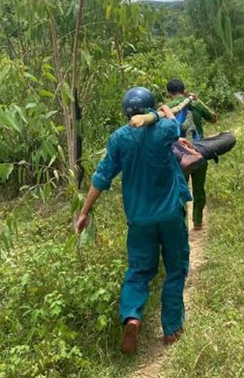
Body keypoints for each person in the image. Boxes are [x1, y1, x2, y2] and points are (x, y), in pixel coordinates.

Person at [74, 86, 192, 355]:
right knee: (175, 268)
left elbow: (101, 177)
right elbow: (176, 127)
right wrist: (164, 111)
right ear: (149, 107)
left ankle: (132, 317)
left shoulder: (119, 139)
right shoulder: (164, 129)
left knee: (138, 272)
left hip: (139, 220)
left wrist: (84, 211)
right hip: (170, 215)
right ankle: (172, 329)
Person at [165, 79, 218, 230]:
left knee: (179, 190)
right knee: (199, 189)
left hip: (178, 157)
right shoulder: (195, 104)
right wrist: (199, 100)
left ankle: (181, 224)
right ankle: (198, 221)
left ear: (168, 94)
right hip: (198, 152)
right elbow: (213, 118)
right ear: (184, 91)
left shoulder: (166, 109)